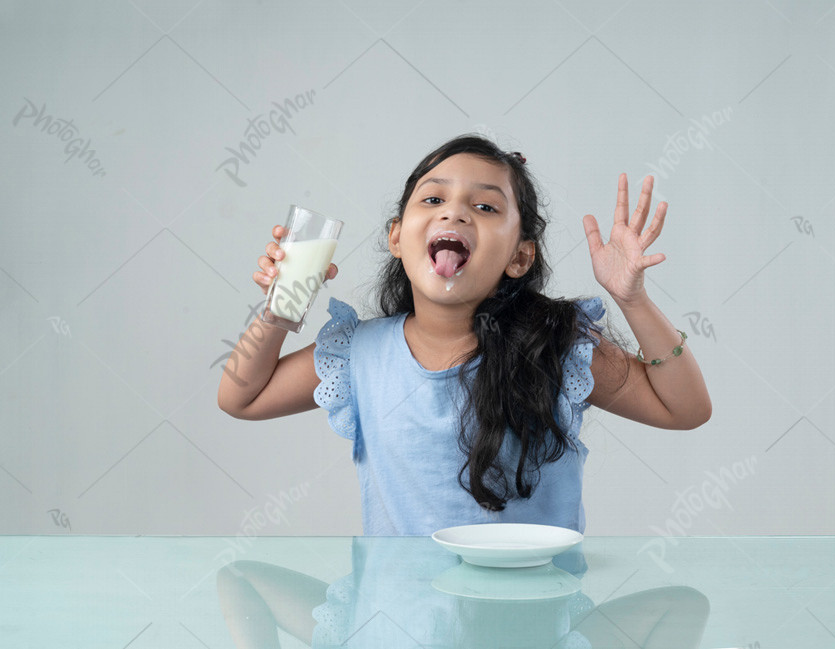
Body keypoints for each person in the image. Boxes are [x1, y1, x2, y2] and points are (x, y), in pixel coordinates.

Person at [217, 134, 712, 536]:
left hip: (530, 620)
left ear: (520, 256)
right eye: (433, 198)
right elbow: (241, 397)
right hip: (399, 621)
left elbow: (685, 409)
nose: (454, 213)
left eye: (486, 207)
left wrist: (633, 300)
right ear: (396, 236)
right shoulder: (359, 353)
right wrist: (278, 309)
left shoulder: (556, 347)